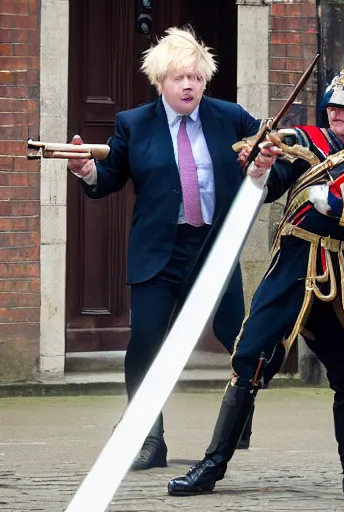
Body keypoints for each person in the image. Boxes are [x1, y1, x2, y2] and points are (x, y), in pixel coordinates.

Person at [166, 32, 344, 504]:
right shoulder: (304, 144)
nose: (335, 115)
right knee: (249, 359)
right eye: (332, 107)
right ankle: (211, 466)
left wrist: (338, 204)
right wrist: (259, 165)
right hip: (291, 269)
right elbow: (271, 182)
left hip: (339, 278)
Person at [66, 27, 263, 471]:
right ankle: (149, 440)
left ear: (205, 80)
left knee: (242, 339)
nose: (188, 84)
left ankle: (239, 418)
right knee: (146, 345)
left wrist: (265, 159)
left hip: (214, 245)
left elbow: (269, 154)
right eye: (178, 78)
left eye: (195, 76)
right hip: (160, 250)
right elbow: (110, 176)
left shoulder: (230, 117)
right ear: (160, 82)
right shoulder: (134, 124)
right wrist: (85, 171)